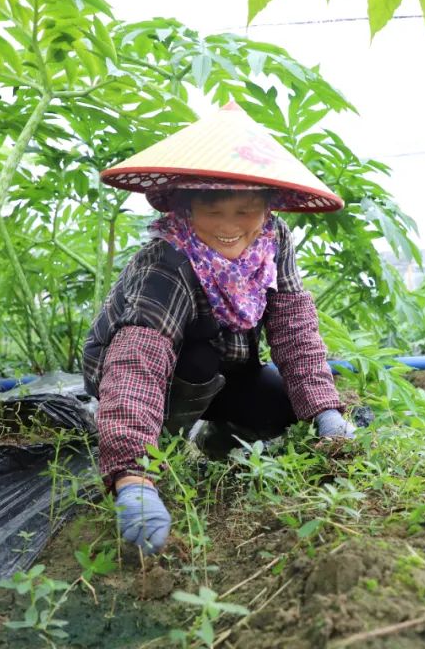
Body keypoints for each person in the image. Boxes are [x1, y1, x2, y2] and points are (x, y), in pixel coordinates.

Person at [82, 105, 356, 555]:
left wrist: (326, 411)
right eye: (213, 210)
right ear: (184, 208)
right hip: (144, 373)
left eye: (245, 210)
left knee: (283, 404)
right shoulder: (166, 260)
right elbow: (139, 362)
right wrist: (131, 473)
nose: (230, 227)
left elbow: (293, 327)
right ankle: (161, 445)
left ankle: (218, 435)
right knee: (197, 358)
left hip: (228, 367)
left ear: (266, 210)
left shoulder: (274, 241)